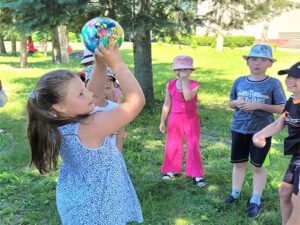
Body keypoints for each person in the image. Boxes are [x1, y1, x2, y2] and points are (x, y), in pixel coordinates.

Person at [27, 41, 145, 224]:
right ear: (59, 105)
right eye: (81, 94)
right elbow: (136, 102)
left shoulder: (58, 120)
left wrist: (100, 64)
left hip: (81, 205)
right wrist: (117, 64)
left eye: (84, 87)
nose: (88, 94)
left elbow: (95, 95)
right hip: (99, 210)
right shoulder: (91, 125)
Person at [225, 44, 286, 218]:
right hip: (239, 128)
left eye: (262, 60)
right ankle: (235, 193)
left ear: (270, 64)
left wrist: (257, 105)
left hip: (261, 133)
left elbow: (282, 108)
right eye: (253, 59)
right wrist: (237, 103)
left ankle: (255, 199)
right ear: (247, 62)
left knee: (258, 166)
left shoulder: (273, 83)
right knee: (239, 163)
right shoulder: (239, 81)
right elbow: (230, 102)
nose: (257, 63)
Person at [253, 62, 300, 225]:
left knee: (298, 201)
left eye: (297, 77)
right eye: (289, 76)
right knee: (285, 191)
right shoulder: (292, 101)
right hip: (297, 156)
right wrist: (260, 135)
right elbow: (279, 123)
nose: (290, 80)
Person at [159, 55, 206, 187]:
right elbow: (167, 104)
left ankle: (197, 174)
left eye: (186, 69)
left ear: (191, 71)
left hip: (190, 118)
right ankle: (171, 169)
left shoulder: (194, 85)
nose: (182, 72)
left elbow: (187, 97)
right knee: (173, 144)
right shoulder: (170, 84)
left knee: (193, 145)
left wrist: (185, 82)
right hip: (175, 117)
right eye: (179, 69)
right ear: (175, 71)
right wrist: (162, 121)